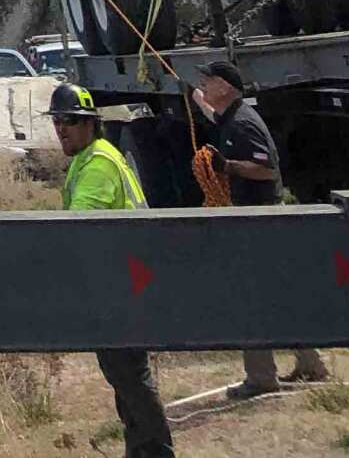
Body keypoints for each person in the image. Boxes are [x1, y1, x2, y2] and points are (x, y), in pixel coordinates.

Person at [50, 84, 176, 458]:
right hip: (117, 282)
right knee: (124, 378)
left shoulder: (99, 163)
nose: (61, 128)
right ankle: (139, 449)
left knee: (130, 378)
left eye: (69, 121)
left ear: (90, 123)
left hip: (122, 286)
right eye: (57, 121)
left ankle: (156, 452)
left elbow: (77, 227)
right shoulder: (87, 159)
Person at [193, 57, 330, 399]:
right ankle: (310, 364)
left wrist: (228, 167)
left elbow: (266, 169)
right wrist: (196, 99)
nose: (205, 86)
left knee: (249, 299)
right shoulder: (230, 116)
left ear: (225, 87)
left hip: (259, 219)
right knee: (279, 296)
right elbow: (215, 116)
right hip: (257, 218)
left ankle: (260, 378)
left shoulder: (242, 123)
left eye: (208, 82)